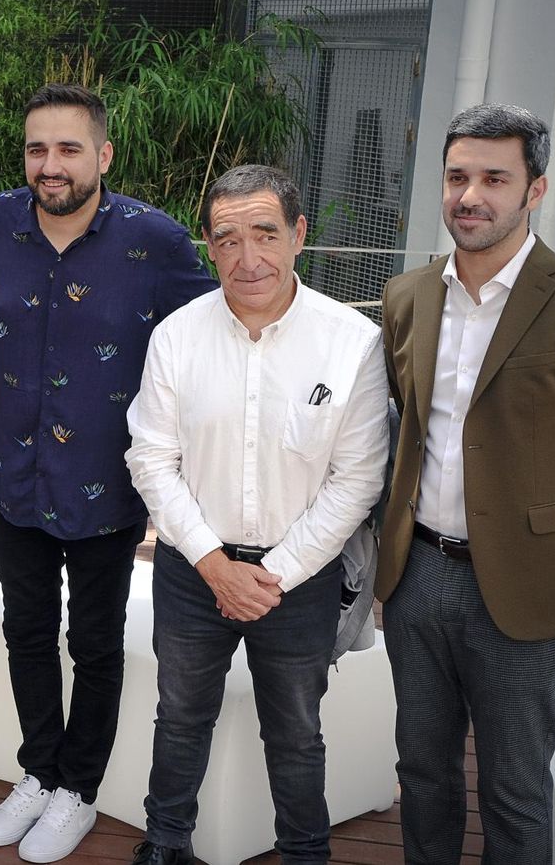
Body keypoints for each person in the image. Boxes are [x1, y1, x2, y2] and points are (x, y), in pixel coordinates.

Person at [378, 103, 555, 865]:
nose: (471, 195)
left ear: (534, 190)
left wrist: (553, 531)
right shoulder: (406, 297)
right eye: (457, 176)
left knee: (515, 784)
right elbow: (406, 424)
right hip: (417, 577)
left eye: (494, 178)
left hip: (527, 587)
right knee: (423, 771)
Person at [0, 83, 217, 863]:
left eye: (69, 148)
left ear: (103, 155)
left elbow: (208, 337)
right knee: (27, 632)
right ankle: (38, 773)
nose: (51, 164)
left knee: (96, 642)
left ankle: (78, 790)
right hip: (15, 473)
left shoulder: (159, 240)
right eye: (38, 147)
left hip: (107, 484)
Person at [123, 165, 389, 865]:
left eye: (265, 234)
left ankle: (305, 854)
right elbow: (150, 460)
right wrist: (215, 565)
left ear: (299, 235)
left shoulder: (352, 342)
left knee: (297, 729)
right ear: (208, 246)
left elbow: (358, 478)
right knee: (179, 717)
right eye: (229, 239)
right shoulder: (176, 337)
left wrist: (272, 574)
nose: (249, 259)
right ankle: (166, 842)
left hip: (298, 581)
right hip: (192, 569)